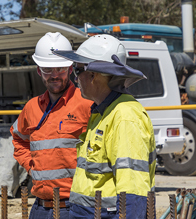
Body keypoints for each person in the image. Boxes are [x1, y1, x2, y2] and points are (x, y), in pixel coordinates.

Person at [53, 34, 156, 219]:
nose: (75, 79)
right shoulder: (102, 112)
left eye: (77, 71)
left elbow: (133, 192)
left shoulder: (124, 116)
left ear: (93, 75)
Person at [10, 32, 93, 218]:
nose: (54, 75)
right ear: (39, 71)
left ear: (70, 68)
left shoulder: (87, 103)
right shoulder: (31, 107)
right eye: (48, 69)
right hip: (40, 208)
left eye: (60, 68)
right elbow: (18, 138)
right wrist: (32, 167)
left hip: (76, 206)